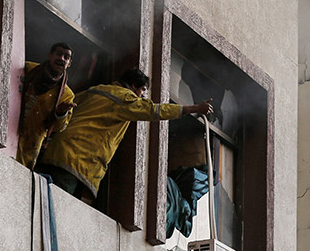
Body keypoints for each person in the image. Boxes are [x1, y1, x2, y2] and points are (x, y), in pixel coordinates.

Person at [38, 68, 213, 199]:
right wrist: (194, 108)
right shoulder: (125, 98)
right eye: (143, 91)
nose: (143, 96)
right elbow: (155, 110)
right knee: (55, 205)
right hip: (76, 160)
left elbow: (65, 108)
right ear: (134, 86)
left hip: (56, 151)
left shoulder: (96, 90)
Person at [16, 42, 76, 169]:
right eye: (59, 54)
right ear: (50, 55)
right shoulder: (27, 69)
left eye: (66, 57)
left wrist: (61, 113)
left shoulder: (67, 95)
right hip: (8, 128)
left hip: (30, 144)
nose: (61, 59)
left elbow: (59, 128)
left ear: (69, 64)